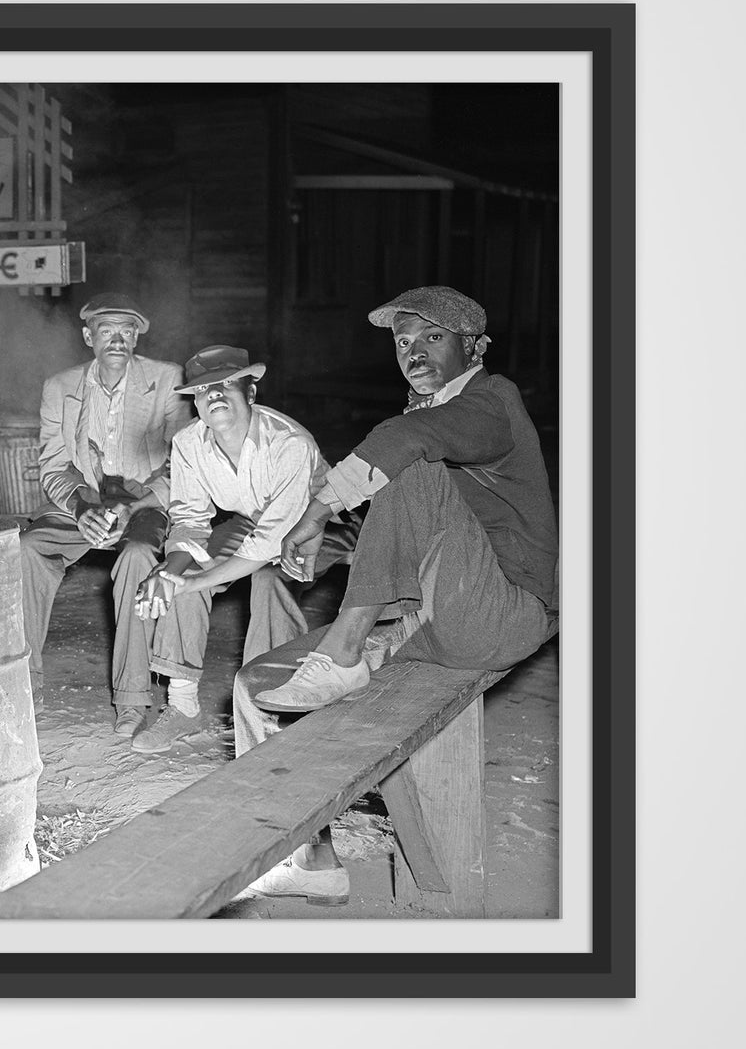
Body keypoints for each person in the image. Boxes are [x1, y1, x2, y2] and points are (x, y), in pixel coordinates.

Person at [233, 284, 558, 754]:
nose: (415, 353)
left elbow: (408, 439)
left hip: (503, 612)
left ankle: (343, 653)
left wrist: (317, 512)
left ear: (473, 346)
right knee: (254, 684)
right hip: (438, 616)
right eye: (404, 343)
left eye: (432, 338)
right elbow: (406, 520)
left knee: (407, 459)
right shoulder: (432, 412)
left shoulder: (492, 402)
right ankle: (284, 813)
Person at [127, 345, 328, 753]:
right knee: (178, 574)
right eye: (204, 391)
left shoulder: (290, 443)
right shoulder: (188, 442)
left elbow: (274, 542)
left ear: (251, 394)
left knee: (271, 579)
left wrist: (195, 580)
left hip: (320, 521)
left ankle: (267, 713)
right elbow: (189, 519)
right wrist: (174, 571)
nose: (214, 396)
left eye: (227, 386)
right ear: (196, 403)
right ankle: (183, 707)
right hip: (254, 522)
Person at [19, 293, 190, 735]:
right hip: (87, 500)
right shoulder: (60, 387)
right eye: (107, 330)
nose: (118, 339)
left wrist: (133, 504)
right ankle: (25, 686)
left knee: (136, 557)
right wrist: (80, 509)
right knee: (27, 548)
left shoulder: (168, 379)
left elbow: (182, 465)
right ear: (87, 336)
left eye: (127, 331)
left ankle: (132, 698)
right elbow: (54, 465)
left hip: (144, 503)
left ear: (136, 338)